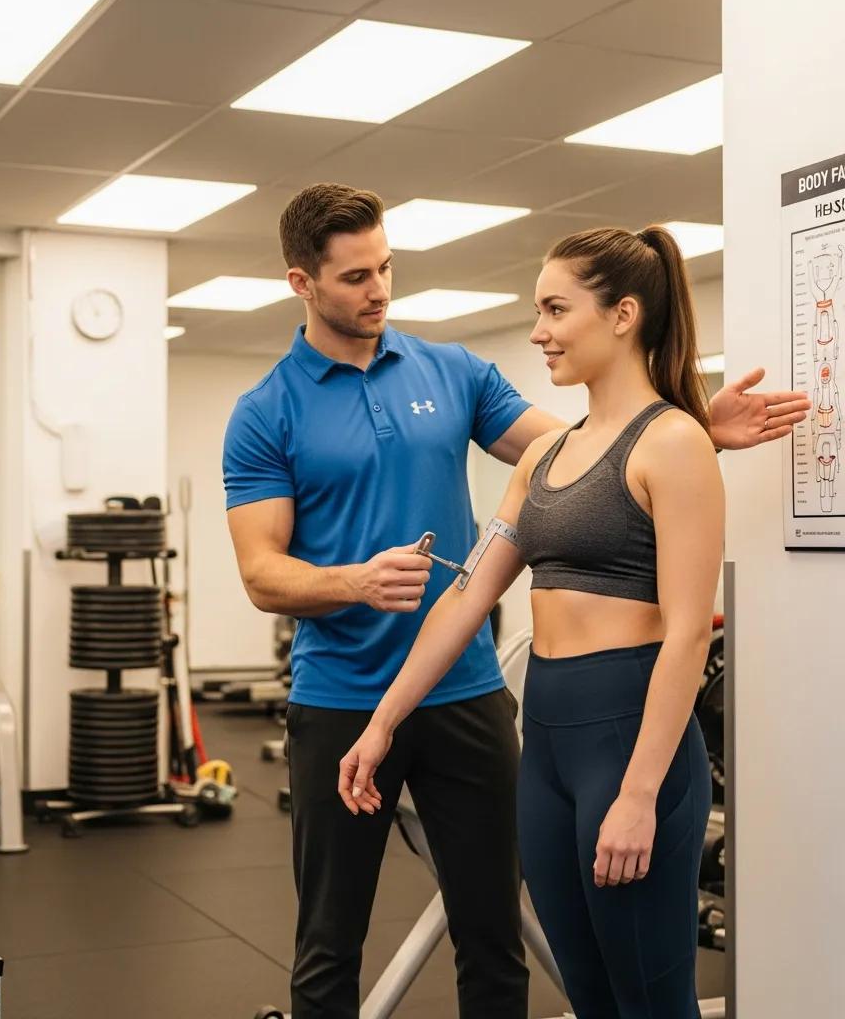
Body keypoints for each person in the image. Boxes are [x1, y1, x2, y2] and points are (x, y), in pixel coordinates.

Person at [223, 183, 807, 1019]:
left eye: (385, 267)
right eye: (356, 276)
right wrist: (377, 691)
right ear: (302, 283)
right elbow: (294, 576)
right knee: (345, 948)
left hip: (530, 712)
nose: (379, 289)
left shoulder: (459, 375)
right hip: (386, 702)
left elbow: (614, 477)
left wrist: (695, 427)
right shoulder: (267, 412)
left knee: (536, 954)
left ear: (622, 314)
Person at [339, 225, 734, 1018]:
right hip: (547, 739)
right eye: (536, 309)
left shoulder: (674, 443)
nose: (538, 330)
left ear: (623, 315)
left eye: (556, 309)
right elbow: (465, 597)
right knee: (587, 992)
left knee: (652, 1000)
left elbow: (690, 632)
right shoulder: (541, 459)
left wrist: (640, 793)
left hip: (630, 738)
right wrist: (384, 720)